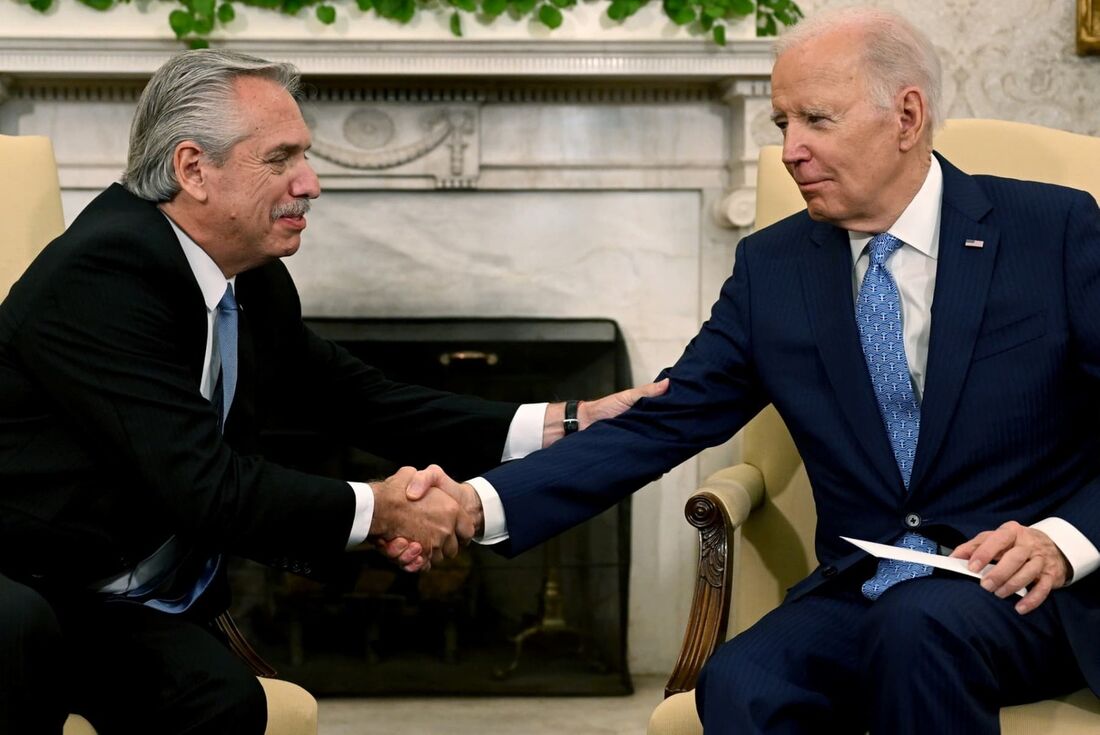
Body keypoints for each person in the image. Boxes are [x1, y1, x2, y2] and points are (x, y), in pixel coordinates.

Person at [405, 7, 1100, 733]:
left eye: (816, 120)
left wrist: (1063, 537)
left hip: (1030, 588)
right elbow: (664, 420)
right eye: (781, 125)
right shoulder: (774, 268)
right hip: (868, 583)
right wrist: (478, 502)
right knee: (740, 680)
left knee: (917, 629)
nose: (791, 150)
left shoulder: (1050, 231)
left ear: (907, 115)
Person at [0, 50, 663, 735]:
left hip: (101, 593)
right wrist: (383, 510)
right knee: (22, 634)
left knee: (223, 701)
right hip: (26, 579)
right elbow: (206, 485)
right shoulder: (104, 275)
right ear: (194, 169)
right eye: (281, 159)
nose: (310, 183)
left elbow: (352, 395)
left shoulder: (242, 270)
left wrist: (564, 421)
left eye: (305, 157)